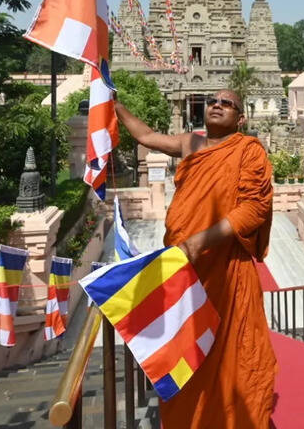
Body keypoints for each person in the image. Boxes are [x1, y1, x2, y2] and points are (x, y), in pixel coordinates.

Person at [113, 89, 276, 429]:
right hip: (185, 272)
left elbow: (254, 209)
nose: (217, 105)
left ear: (240, 119)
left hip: (227, 269)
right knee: (186, 354)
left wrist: (198, 241)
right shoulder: (191, 144)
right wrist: (115, 105)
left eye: (227, 103)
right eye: (213, 101)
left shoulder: (248, 150)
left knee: (234, 354)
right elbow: (146, 136)